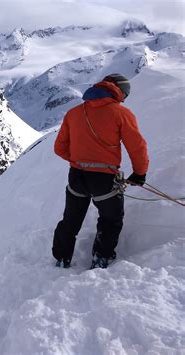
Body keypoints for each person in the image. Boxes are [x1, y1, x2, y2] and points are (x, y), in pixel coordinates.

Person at [52, 73, 149, 269]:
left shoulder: (74, 113)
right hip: (105, 179)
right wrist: (139, 173)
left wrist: (81, 161)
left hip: (77, 176)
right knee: (111, 218)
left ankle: (61, 258)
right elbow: (137, 147)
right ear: (118, 90)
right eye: (126, 92)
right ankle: (101, 257)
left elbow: (59, 148)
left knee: (71, 219)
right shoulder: (121, 114)